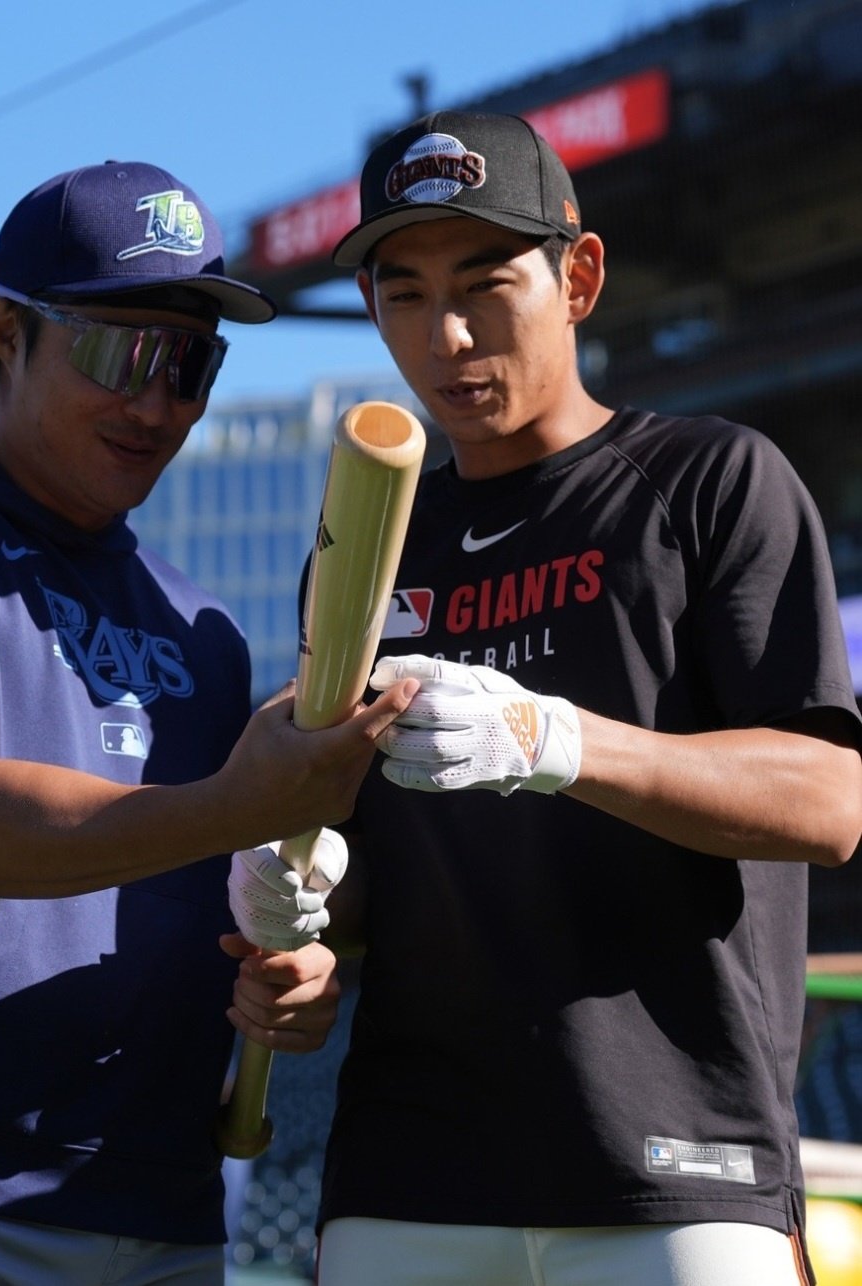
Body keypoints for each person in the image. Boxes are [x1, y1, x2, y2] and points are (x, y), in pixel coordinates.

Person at [0, 159, 417, 1285]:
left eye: (191, 364)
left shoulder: (202, 622)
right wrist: (241, 801)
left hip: (167, 1212)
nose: (156, 403)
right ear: (6, 331)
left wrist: (296, 961)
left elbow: (230, 876)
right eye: (121, 350)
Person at [303, 111, 862, 1285]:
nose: (445, 334)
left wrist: (548, 736)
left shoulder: (713, 479)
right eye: (400, 294)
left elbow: (828, 798)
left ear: (580, 274)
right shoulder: (362, 544)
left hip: (676, 1166)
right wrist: (296, 916)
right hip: (408, 1175)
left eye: (487, 282)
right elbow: (356, 859)